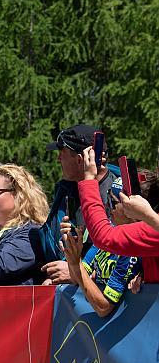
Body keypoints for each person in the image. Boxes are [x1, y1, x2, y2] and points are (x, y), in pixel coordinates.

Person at [41, 124, 116, 284]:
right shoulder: (67, 191)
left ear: (81, 159)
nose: (58, 158)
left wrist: (76, 271)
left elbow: (123, 256)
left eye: (62, 152)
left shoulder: (117, 197)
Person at [61, 178, 141, 316]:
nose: (108, 206)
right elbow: (76, 278)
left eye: (113, 202)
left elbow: (104, 307)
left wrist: (76, 264)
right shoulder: (110, 230)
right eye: (108, 198)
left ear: (133, 209)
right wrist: (72, 251)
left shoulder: (131, 247)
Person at [78, 147, 159, 282]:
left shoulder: (152, 228)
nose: (110, 208)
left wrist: (88, 180)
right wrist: (144, 272)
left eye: (115, 201)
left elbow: (104, 237)